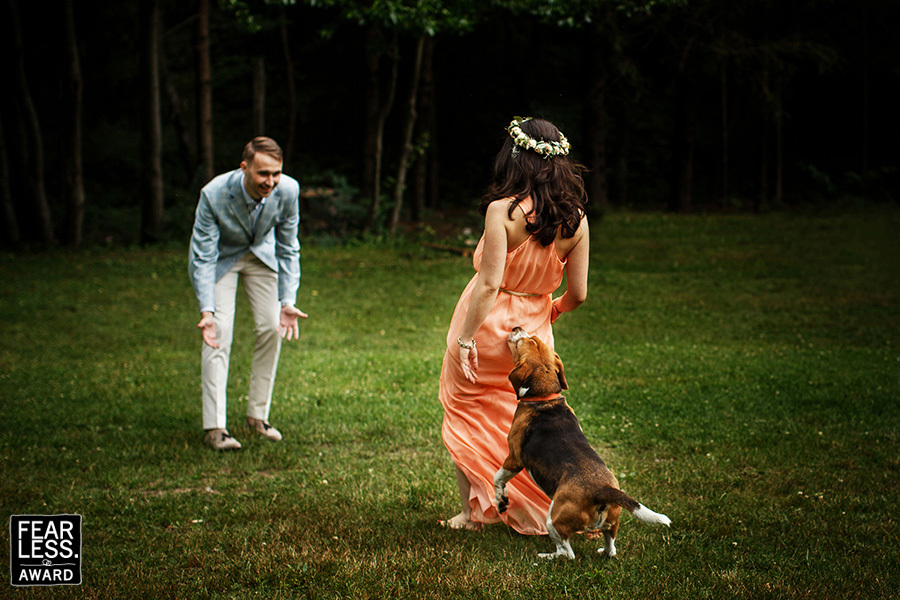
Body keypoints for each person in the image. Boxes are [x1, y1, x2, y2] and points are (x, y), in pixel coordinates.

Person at [439, 117, 590, 533]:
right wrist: (548, 312)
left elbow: (489, 285)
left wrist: (467, 339)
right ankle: (547, 502)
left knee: (465, 410)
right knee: (523, 420)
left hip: (487, 331)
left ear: (516, 158)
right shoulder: (576, 219)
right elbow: (577, 295)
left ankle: (475, 514)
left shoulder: (502, 211)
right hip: (532, 337)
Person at [188, 136, 307, 451]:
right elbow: (202, 256)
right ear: (244, 168)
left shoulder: (289, 190)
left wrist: (288, 300)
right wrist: (206, 311)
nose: (270, 181)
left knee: (271, 326)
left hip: (262, 256)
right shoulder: (214, 194)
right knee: (219, 331)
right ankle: (216, 427)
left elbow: (289, 247)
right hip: (222, 259)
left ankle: (258, 416)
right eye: (262, 174)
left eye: (276, 174)